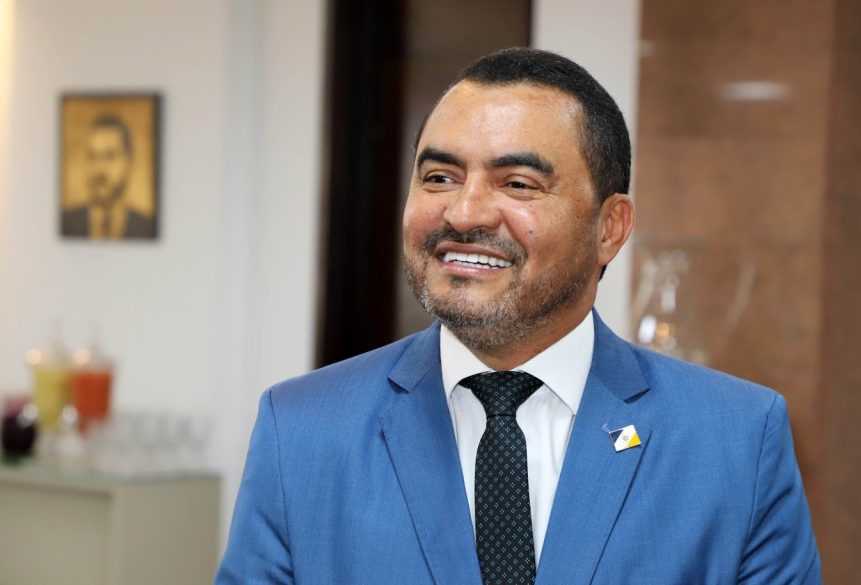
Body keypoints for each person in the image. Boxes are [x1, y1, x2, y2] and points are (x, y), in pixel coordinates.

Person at [217, 48, 821, 584]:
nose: (464, 213)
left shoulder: (737, 440)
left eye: (518, 183)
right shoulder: (302, 431)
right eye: (439, 177)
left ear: (609, 228)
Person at [61, 114, 155, 239]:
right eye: (93, 156)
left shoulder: (148, 228)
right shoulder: (65, 224)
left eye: (110, 156)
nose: (100, 168)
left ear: (129, 162)